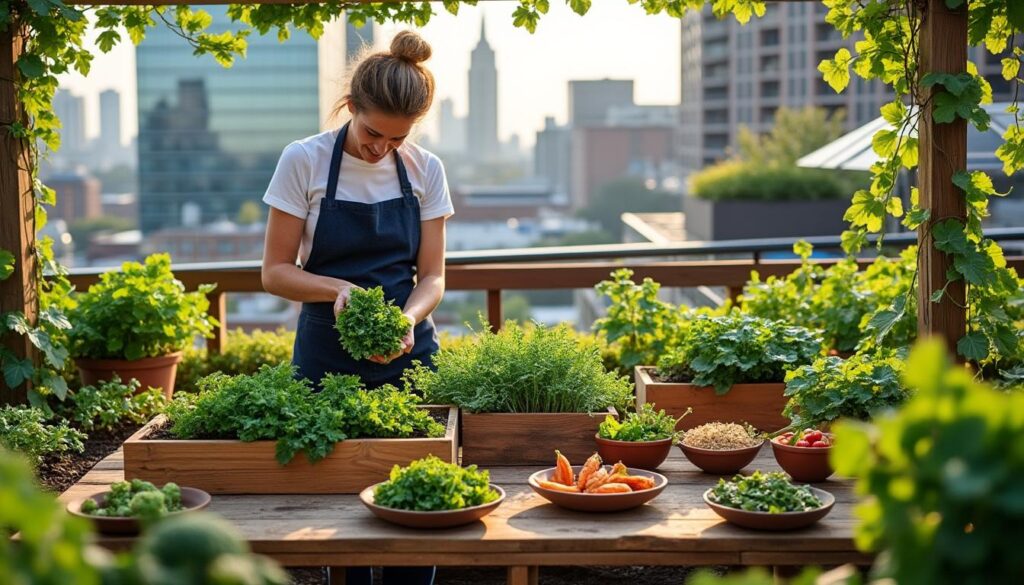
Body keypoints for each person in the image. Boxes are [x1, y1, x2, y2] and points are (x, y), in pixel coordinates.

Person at [260, 30, 451, 585]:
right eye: (373, 132)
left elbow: (433, 276)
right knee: (337, 512)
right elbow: (274, 272)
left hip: (409, 352)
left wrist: (407, 319)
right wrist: (335, 290)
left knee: (420, 504)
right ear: (350, 106)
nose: (381, 148)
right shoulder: (304, 160)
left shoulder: (424, 169)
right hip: (326, 355)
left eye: (398, 137)